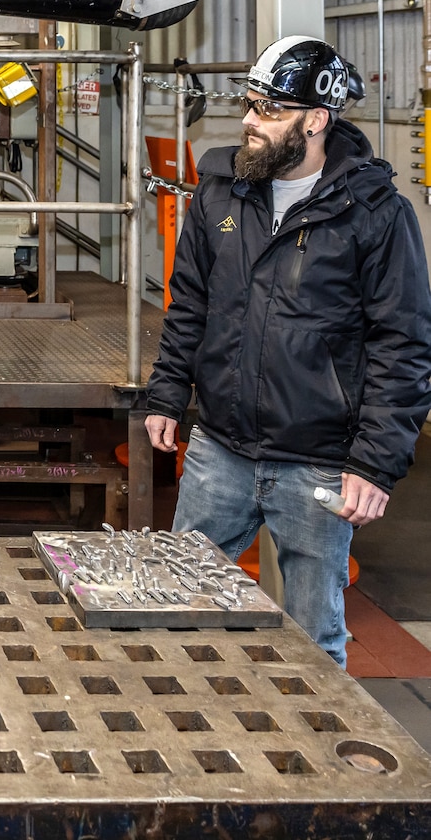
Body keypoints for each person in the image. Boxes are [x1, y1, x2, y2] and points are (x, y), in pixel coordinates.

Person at [146, 35, 431, 666]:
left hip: (319, 464)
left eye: (270, 110)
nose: (249, 120)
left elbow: (402, 346)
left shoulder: (376, 213)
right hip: (219, 448)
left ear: (317, 120)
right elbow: (190, 303)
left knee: (312, 641)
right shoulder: (220, 191)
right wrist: (168, 391)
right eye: (249, 104)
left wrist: (375, 465)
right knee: (175, 613)